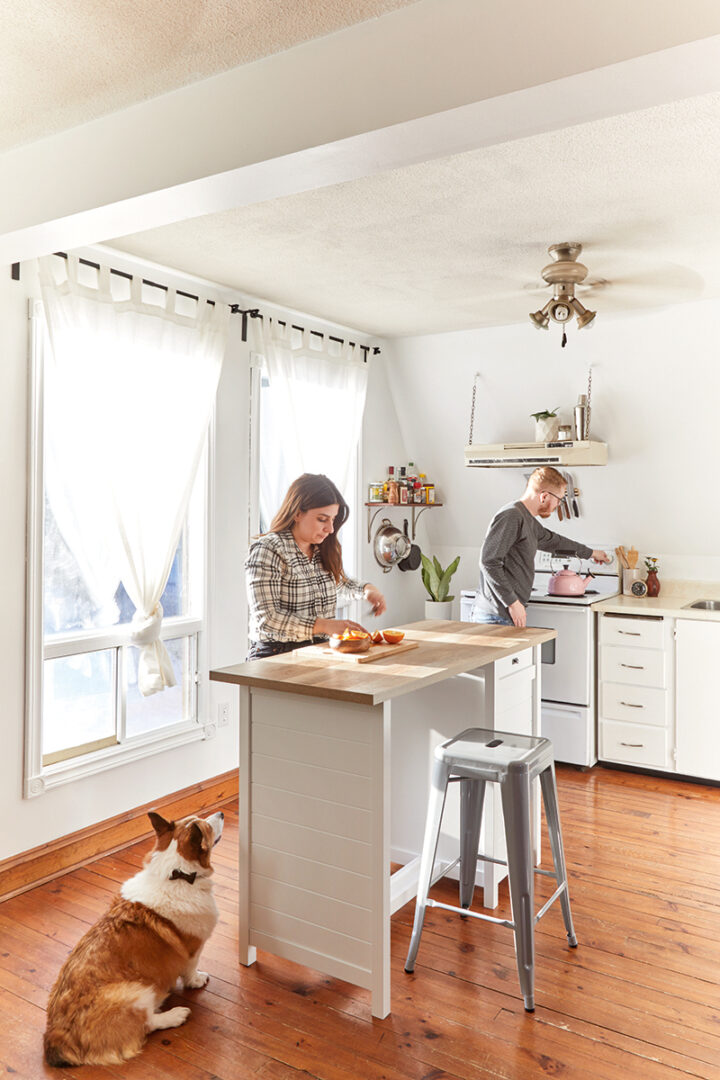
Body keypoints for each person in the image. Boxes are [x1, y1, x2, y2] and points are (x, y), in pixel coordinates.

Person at [245, 473, 387, 660]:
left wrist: (366, 590)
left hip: (319, 650)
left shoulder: (322, 549)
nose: (330, 529)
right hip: (275, 655)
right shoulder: (268, 550)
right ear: (297, 513)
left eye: (333, 519)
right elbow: (267, 620)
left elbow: (339, 582)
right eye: (322, 519)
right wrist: (325, 625)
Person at [470, 466, 611, 628]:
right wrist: (513, 603)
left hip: (504, 614)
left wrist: (591, 553)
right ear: (544, 496)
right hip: (495, 616)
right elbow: (489, 562)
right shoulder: (511, 516)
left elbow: (554, 541)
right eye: (559, 500)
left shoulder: (526, 519)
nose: (558, 505)